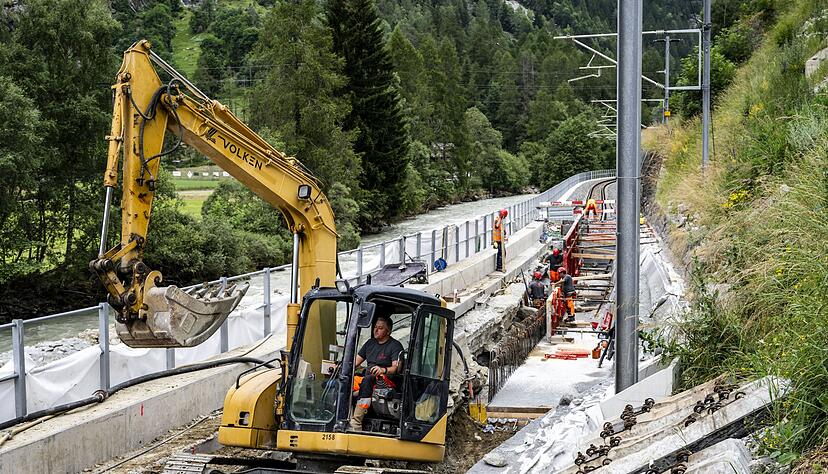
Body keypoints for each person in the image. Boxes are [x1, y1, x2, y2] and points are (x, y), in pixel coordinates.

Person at [350, 316, 403, 431]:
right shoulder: (370, 343)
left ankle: (356, 422)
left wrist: (382, 370)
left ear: (388, 331)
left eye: (380, 328)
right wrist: (342, 367)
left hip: (384, 380)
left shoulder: (395, 345)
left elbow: (396, 368)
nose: (376, 330)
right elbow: (355, 362)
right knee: (345, 380)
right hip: (367, 377)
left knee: (367, 381)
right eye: (375, 327)